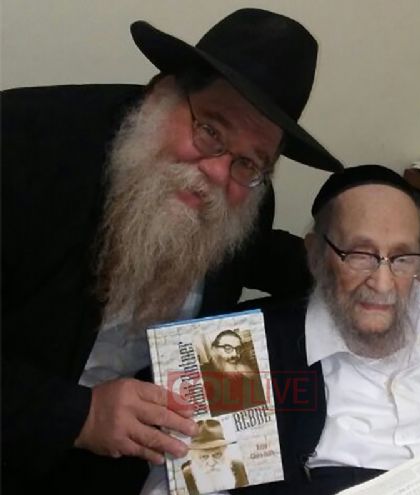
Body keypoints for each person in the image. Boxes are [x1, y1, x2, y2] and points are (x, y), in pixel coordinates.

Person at [1, 8, 344, 495]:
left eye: (250, 161)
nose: (218, 173)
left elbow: (260, 255)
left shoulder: (245, 195)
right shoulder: (21, 148)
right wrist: (79, 414)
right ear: (161, 94)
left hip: (128, 457)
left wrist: (375, 272)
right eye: (211, 130)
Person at [239, 165, 420, 495]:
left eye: (402, 258)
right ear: (316, 254)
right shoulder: (243, 354)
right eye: (360, 255)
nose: (383, 283)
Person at [199, 330, 266, 415]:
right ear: (214, 350)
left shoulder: (246, 369)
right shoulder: (202, 375)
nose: (235, 354)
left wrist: (253, 376)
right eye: (228, 348)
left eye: (238, 349)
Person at [181, 419, 248, 494]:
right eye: (204, 457)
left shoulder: (239, 467)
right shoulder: (186, 475)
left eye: (217, 455)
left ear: (225, 450)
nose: (211, 463)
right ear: (193, 456)